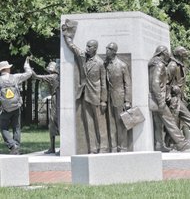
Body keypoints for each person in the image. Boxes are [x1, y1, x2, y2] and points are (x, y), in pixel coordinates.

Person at [62, 19, 108, 154]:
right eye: (86, 46)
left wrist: (103, 100)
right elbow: (72, 46)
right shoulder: (82, 56)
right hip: (84, 94)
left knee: (100, 123)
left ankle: (104, 147)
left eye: (90, 47)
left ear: (95, 48)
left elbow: (104, 83)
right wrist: (66, 33)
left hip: (97, 96)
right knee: (89, 123)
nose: (87, 48)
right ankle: (93, 148)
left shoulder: (100, 63)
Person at [148, 45, 190, 152]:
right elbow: (156, 83)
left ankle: (159, 144)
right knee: (170, 121)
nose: (168, 53)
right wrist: (162, 99)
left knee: (158, 123)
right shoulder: (160, 65)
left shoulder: (153, 64)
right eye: (166, 51)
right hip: (159, 99)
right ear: (162, 53)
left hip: (155, 98)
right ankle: (181, 144)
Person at [0, 57, 32, 154]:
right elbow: (29, 74)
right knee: (16, 127)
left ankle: (12, 145)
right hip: (16, 107)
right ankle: (16, 147)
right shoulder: (15, 77)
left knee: (3, 128)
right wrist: (26, 65)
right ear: (7, 69)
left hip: (5, 109)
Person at [105, 42, 131, 152]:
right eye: (107, 48)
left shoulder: (122, 65)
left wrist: (127, 100)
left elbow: (128, 84)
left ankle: (123, 146)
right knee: (111, 123)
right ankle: (114, 146)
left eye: (109, 49)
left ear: (114, 51)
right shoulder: (106, 64)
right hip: (109, 97)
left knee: (121, 123)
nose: (106, 51)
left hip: (119, 97)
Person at [32, 61, 60, 154]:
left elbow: (36, 77)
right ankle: (52, 147)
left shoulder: (52, 76)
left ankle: (53, 147)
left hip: (56, 101)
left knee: (54, 122)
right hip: (56, 99)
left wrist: (30, 71)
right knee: (53, 123)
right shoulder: (57, 76)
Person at [167, 46, 190, 140]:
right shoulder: (172, 66)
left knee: (177, 121)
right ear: (179, 53)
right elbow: (166, 82)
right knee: (186, 118)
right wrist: (172, 89)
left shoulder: (180, 65)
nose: (186, 52)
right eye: (184, 51)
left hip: (179, 97)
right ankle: (170, 142)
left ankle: (172, 143)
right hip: (174, 98)